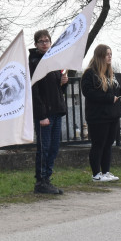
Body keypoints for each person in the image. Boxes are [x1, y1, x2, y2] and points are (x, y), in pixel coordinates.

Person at [81, 45, 121, 182]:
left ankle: (106, 172)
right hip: (98, 116)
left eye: (111, 54)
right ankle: (96, 174)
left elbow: (117, 93)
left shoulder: (110, 73)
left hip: (112, 115)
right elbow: (88, 92)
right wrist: (108, 98)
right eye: (107, 54)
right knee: (98, 144)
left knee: (108, 144)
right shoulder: (90, 74)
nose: (110, 56)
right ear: (100, 56)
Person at [29, 29, 69, 195]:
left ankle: (47, 178)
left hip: (56, 110)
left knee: (53, 148)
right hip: (44, 113)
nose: (45, 44)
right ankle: (41, 181)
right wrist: (41, 115)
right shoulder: (34, 62)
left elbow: (57, 88)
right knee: (44, 148)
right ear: (36, 44)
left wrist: (63, 82)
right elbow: (35, 91)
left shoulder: (54, 60)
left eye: (47, 41)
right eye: (41, 41)